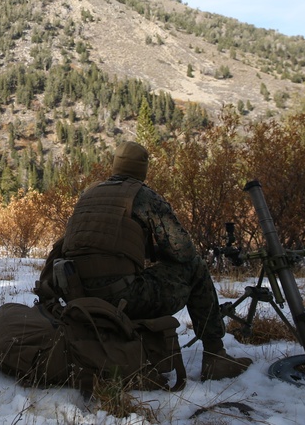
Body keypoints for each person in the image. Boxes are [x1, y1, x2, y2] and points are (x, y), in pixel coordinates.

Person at [38, 140, 252, 381]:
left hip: (78, 295)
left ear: (115, 166)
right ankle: (216, 356)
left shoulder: (89, 195)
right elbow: (184, 252)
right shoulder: (142, 195)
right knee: (196, 268)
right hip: (121, 298)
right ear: (143, 169)